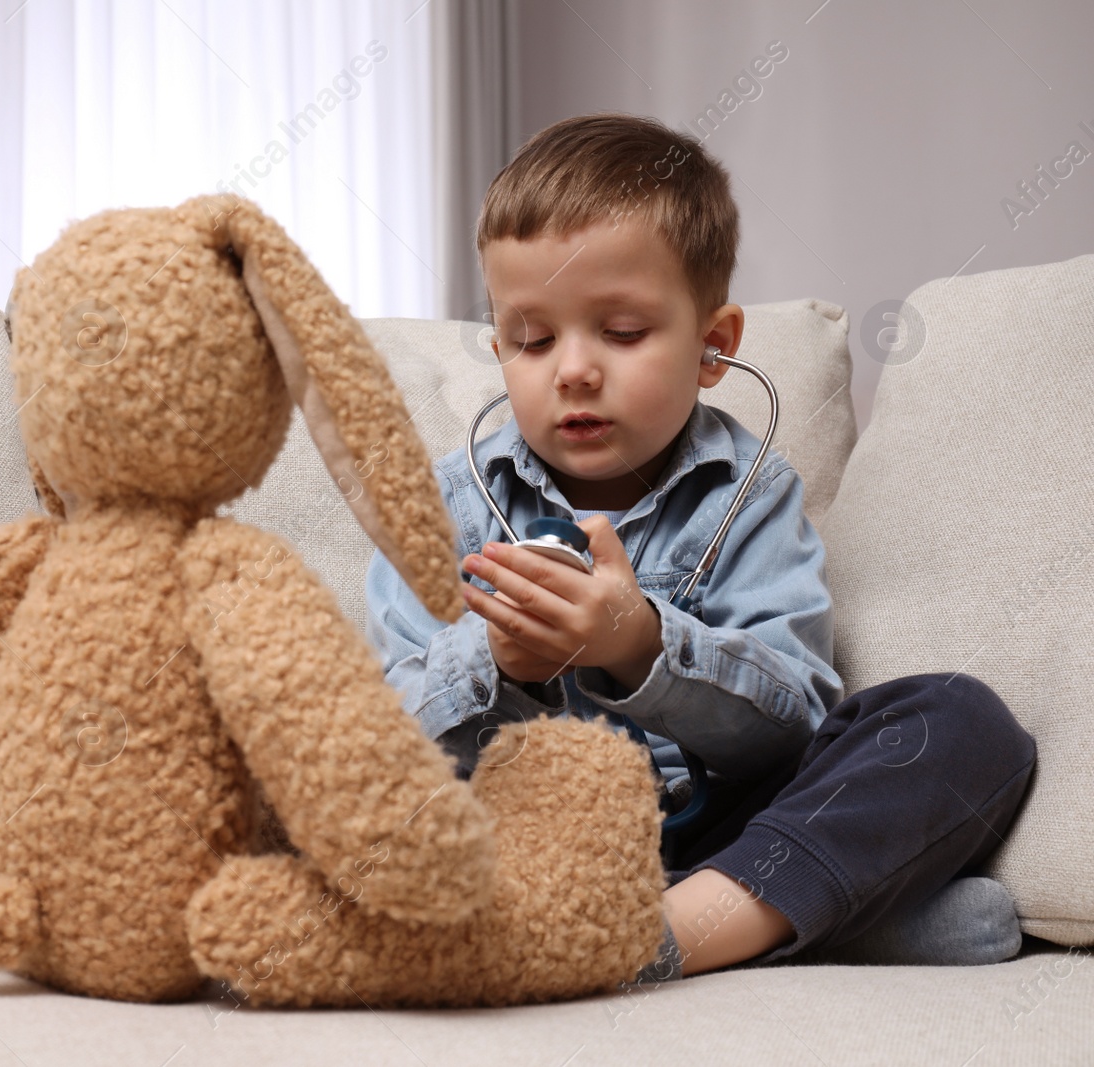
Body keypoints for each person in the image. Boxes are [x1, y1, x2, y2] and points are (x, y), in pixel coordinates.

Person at [364, 112, 1036, 980]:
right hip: (512, 839)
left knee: (961, 721)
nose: (571, 368)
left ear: (713, 347)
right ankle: (792, 915)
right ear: (500, 348)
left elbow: (788, 724)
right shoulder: (441, 506)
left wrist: (643, 647)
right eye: (533, 339)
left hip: (722, 825)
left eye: (623, 331)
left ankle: (655, 933)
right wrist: (497, 661)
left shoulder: (750, 495)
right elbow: (382, 741)